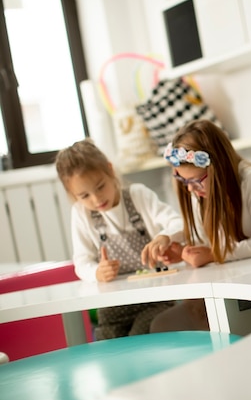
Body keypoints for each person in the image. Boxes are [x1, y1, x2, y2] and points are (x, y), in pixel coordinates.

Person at [144, 119, 251, 332]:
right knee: (160, 325)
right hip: (223, 287)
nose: (191, 190)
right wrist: (183, 252)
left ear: (218, 167)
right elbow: (205, 242)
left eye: (196, 181)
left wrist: (214, 255)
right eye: (185, 182)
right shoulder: (201, 192)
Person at [55, 139, 182, 340]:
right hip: (114, 305)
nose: (96, 199)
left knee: (140, 338)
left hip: (155, 298)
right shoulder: (81, 214)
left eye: (100, 187)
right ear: (74, 196)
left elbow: (178, 223)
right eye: (84, 195)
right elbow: (81, 262)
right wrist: (97, 271)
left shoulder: (138, 195)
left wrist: (164, 236)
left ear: (110, 170)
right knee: (108, 344)